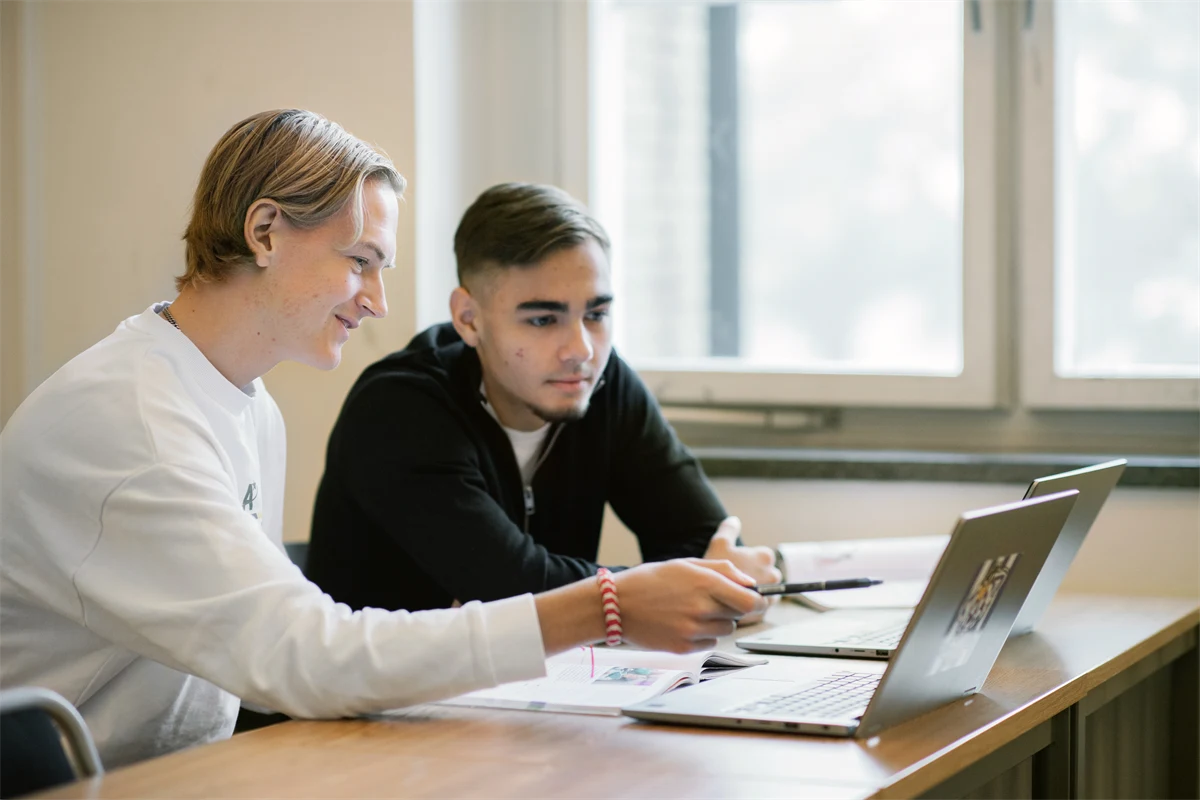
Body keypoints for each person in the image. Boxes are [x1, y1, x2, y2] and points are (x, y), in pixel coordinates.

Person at [0, 111, 765, 768]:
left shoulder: (241, 399)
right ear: (265, 231)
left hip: (181, 770)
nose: (377, 301)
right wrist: (608, 604)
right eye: (360, 261)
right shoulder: (130, 421)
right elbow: (305, 655)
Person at [305, 182, 781, 617]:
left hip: (535, 692)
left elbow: (708, 541)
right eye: (542, 320)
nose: (581, 350)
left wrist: (713, 579)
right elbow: (510, 589)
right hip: (374, 705)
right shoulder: (397, 410)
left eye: (595, 314)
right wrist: (690, 585)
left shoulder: (603, 383)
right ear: (468, 318)